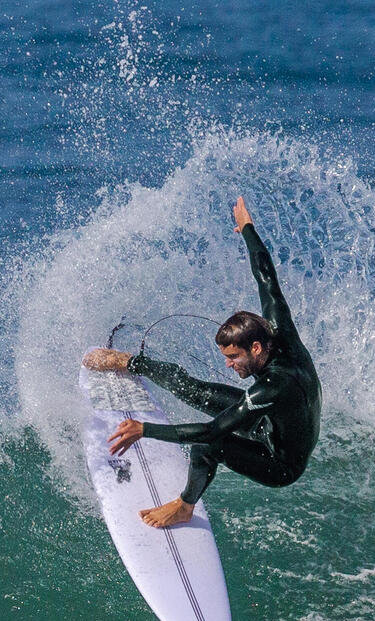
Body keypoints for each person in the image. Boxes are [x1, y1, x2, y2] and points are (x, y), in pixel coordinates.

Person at [83, 196, 322, 528]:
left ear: (255, 348)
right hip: (270, 422)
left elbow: (211, 430)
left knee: (208, 446)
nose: (228, 365)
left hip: (280, 461)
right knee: (192, 389)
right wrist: (248, 229)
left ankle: (184, 506)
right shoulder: (276, 330)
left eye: (233, 357)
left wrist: (144, 430)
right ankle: (129, 362)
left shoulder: (274, 387)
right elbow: (266, 277)